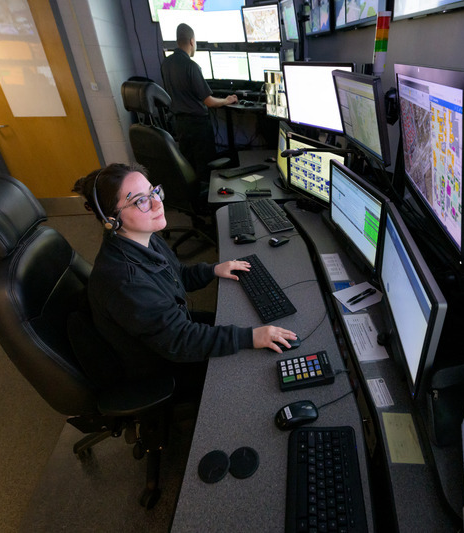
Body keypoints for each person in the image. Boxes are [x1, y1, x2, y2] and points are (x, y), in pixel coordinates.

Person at [72, 162, 296, 398]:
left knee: (237, 322)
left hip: (169, 330)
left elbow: (176, 275)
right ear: (112, 219)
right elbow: (180, 342)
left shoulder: (142, 237)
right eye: (141, 201)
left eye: (153, 192)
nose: (157, 203)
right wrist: (250, 337)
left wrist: (213, 270)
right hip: (161, 365)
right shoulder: (125, 282)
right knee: (255, 368)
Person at [160, 23, 238, 183]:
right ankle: (209, 196)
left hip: (179, 124)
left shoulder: (166, 64)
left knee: (189, 166)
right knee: (206, 167)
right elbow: (208, 101)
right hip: (198, 126)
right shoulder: (191, 66)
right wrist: (227, 100)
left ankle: (196, 196)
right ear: (191, 41)